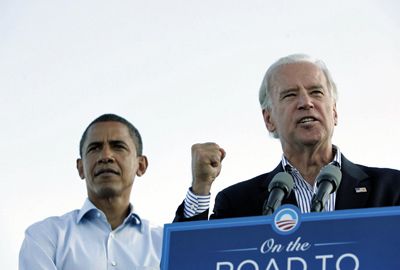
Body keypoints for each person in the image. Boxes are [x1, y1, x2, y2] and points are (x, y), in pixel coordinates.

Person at [174, 53, 400, 222]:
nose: (306, 102)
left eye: (316, 92)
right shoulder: (238, 203)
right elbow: (191, 259)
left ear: (334, 111)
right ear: (269, 119)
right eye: (290, 95)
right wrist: (200, 187)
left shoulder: (391, 189)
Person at [19, 114, 162, 270]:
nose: (106, 156)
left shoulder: (162, 243)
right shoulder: (45, 236)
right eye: (94, 148)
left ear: (141, 165)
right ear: (81, 168)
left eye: (118, 146)